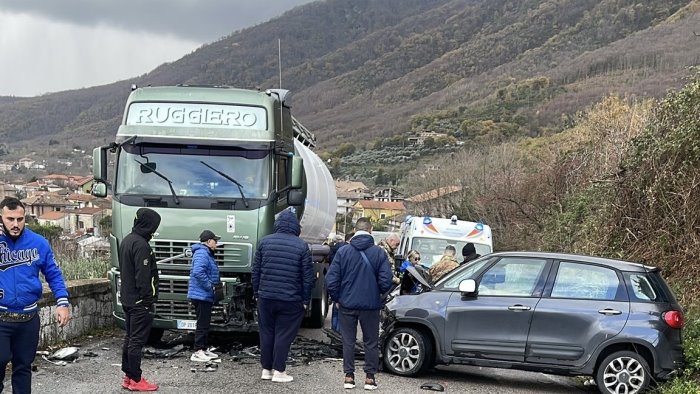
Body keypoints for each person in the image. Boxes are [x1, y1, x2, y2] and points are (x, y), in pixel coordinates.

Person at [0, 197, 71, 394]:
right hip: (1, 317)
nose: (15, 224)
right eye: (10, 219)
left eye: (20, 219)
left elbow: (54, 274)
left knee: (23, 366)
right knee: (1, 358)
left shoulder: (39, 243)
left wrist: (62, 303)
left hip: (28, 319)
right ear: (1, 219)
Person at [325, 217, 393, 390]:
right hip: (370, 306)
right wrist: (379, 296)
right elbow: (386, 281)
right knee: (371, 342)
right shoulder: (379, 253)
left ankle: (349, 376)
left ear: (355, 231)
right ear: (370, 230)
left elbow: (331, 279)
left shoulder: (343, 252)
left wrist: (337, 298)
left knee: (348, 340)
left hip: (347, 304)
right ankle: (370, 378)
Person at [252, 209, 313, 383]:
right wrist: (305, 300)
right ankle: (279, 371)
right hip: (290, 299)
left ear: (277, 225)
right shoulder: (301, 246)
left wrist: (257, 293)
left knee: (266, 333)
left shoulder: (264, 242)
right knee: (283, 334)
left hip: (266, 297)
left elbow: (255, 271)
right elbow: (307, 277)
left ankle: (266, 369)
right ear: (296, 227)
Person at [119, 208, 161, 392]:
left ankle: (128, 376)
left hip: (127, 299)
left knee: (129, 338)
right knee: (136, 341)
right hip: (139, 302)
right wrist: (147, 299)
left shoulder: (127, 240)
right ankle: (136, 379)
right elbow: (143, 276)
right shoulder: (141, 245)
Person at [187, 230, 222, 363]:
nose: (216, 244)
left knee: (205, 322)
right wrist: (210, 286)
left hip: (203, 295)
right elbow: (198, 272)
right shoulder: (202, 253)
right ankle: (198, 350)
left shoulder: (205, 253)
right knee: (202, 323)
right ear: (208, 241)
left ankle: (203, 348)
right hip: (201, 295)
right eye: (215, 241)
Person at [328, 232, 352, 334]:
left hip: (338, 287)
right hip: (346, 290)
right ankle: (340, 337)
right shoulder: (349, 252)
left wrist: (334, 297)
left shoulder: (336, 250)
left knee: (335, 312)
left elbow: (331, 277)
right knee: (344, 317)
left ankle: (334, 334)